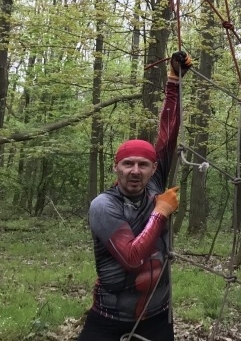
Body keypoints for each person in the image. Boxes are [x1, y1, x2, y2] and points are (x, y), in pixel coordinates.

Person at [77, 51, 192, 341]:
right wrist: (161, 212)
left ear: (154, 168)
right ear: (116, 167)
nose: (135, 171)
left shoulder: (154, 184)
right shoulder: (103, 205)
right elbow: (131, 258)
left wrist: (174, 82)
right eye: (128, 163)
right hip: (109, 318)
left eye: (143, 164)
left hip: (157, 317)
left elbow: (168, 133)